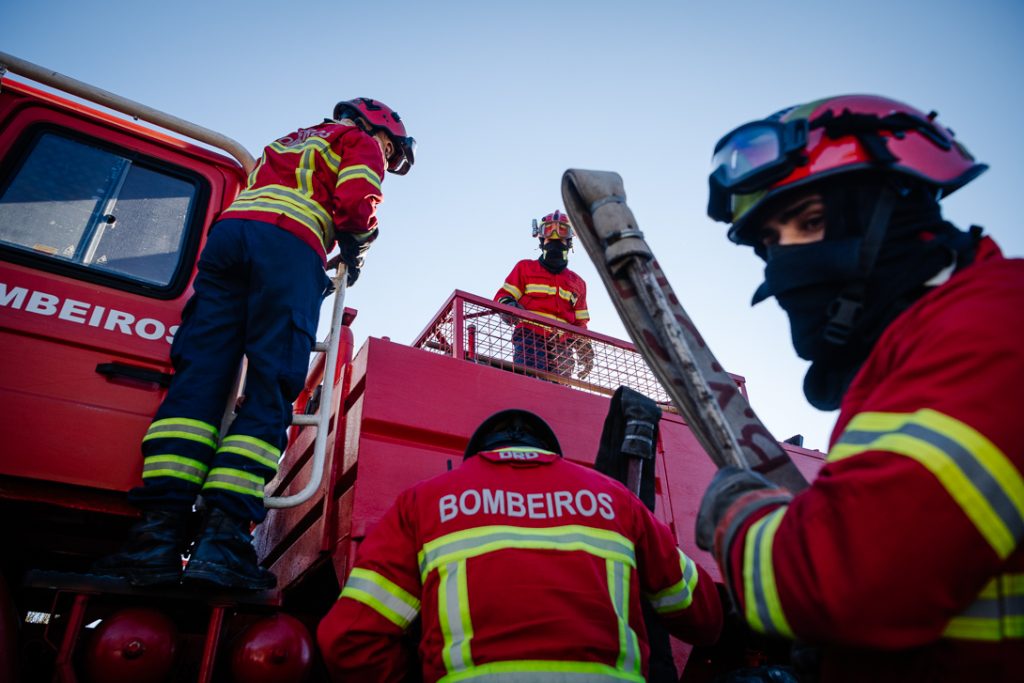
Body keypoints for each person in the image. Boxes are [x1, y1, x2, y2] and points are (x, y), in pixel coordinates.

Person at [696, 94, 1024, 681]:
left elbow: (842, 585)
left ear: (895, 211)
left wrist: (739, 515)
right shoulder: (913, 351)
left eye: (813, 222)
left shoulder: (993, 329)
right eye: (769, 242)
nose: (783, 262)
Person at [94, 98, 416, 590]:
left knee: (200, 380)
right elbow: (356, 203)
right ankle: (221, 543)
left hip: (228, 242)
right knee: (270, 386)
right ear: (382, 132)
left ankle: (155, 537)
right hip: (289, 247)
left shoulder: (290, 139)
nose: (386, 156)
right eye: (390, 149)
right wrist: (359, 244)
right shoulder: (360, 143)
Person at [318, 409, 723, 681]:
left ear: (476, 456)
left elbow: (349, 641)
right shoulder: (617, 499)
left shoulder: (424, 502)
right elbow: (704, 618)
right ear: (550, 452)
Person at [495, 210, 595, 380]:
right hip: (530, 339)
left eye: (562, 233)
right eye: (550, 233)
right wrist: (509, 307)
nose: (555, 238)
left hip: (562, 347)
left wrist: (584, 348)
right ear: (541, 240)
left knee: (560, 392)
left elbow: (580, 323)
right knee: (530, 382)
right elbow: (503, 297)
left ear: (569, 241)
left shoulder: (578, 283)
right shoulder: (525, 268)